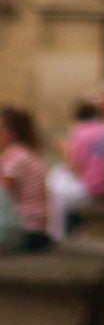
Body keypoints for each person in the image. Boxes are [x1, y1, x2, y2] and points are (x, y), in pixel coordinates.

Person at [0, 106, 52, 250]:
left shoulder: (14, 158)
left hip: (22, 230)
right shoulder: (26, 154)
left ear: (9, 133)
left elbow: (4, 194)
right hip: (36, 231)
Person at [61, 100, 104, 203]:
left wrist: (64, 151)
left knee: (55, 179)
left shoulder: (80, 131)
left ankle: (62, 219)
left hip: (92, 189)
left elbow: (74, 166)